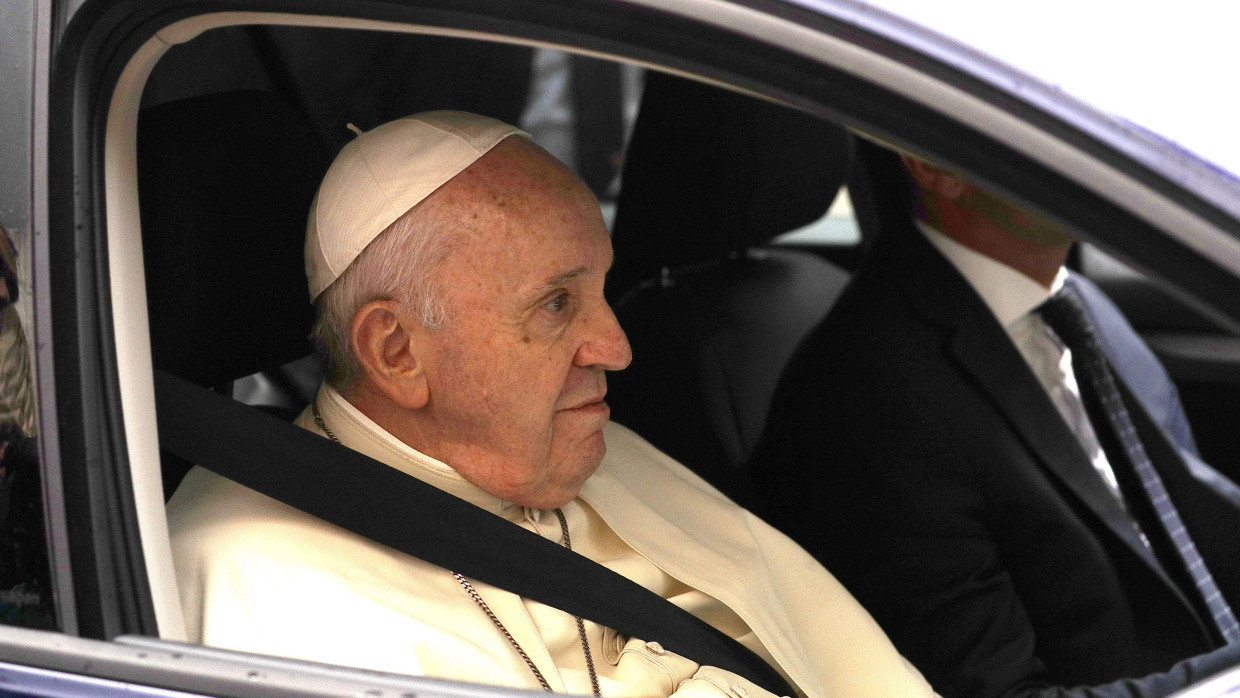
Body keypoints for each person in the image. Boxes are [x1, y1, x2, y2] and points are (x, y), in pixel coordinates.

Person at [166, 111, 937, 698]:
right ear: (397, 352)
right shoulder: (250, 582)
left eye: (601, 288)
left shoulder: (603, 452)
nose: (617, 347)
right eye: (557, 304)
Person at [751, 150, 1240, 698]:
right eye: (1048, 119)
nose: (1095, 148)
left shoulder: (1076, 305)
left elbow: (1188, 513)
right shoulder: (870, 396)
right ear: (935, 167)